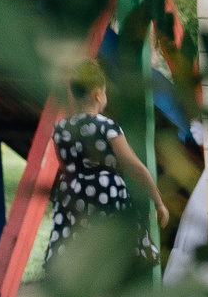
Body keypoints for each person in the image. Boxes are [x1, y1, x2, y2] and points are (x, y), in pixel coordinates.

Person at [45, 60, 167, 269]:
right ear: (98, 94)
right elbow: (134, 167)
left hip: (72, 197)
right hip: (105, 195)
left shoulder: (61, 128)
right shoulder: (107, 127)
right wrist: (158, 201)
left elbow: (65, 165)